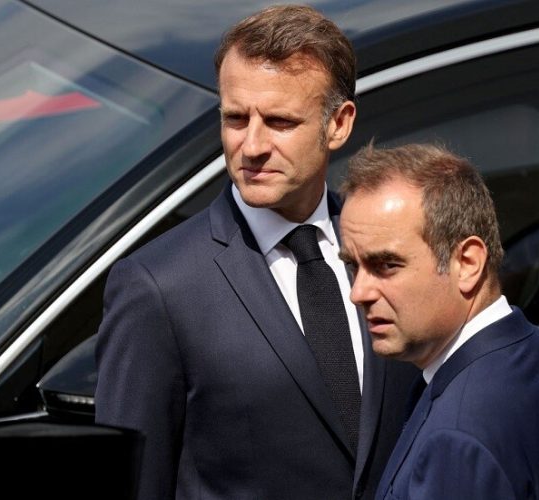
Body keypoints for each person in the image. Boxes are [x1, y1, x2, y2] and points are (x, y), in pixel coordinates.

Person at [94, 5, 416, 499]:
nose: (252, 146)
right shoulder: (159, 287)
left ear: (339, 124)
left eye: (280, 121)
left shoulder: (389, 250)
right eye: (236, 119)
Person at [338, 143, 539, 499]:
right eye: (353, 266)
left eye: (386, 265)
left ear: (468, 263)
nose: (358, 292)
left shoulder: (457, 439)